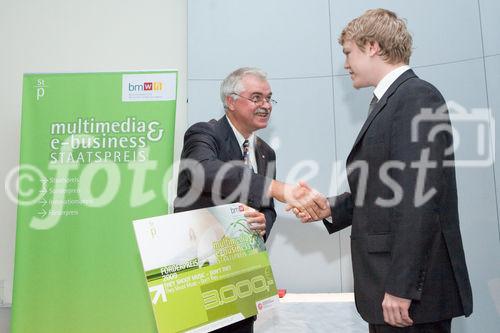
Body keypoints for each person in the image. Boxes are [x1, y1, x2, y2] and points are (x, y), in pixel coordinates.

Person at [293, 9, 473, 333]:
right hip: (389, 291)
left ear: (372, 46)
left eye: (348, 52)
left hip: (408, 296)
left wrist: (402, 286)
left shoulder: (416, 97)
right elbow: (386, 192)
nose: (345, 63)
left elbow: (419, 198)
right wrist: (331, 207)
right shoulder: (391, 101)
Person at [174, 67, 325, 333]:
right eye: (256, 98)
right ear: (230, 101)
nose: (266, 105)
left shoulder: (266, 153)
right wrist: (276, 187)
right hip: (200, 272)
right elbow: (204, 172)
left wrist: (262, 222)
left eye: (269, 98)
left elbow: (268, 209)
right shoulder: (204, 134)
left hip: (242, 277)